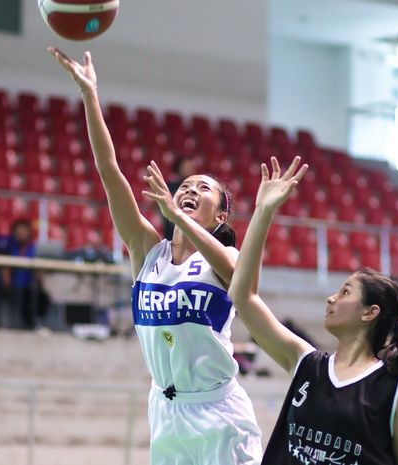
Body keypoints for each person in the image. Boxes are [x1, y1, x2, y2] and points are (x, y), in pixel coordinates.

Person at [48, 48, 262, 464]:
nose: (188, 190)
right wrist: (90, 97)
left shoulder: (228, 257)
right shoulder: (148, 251)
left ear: (220, 216)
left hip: (219, 411)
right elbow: (109, 172)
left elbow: (240, 279)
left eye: (202, 188)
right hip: (166, 410)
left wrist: (177, 218)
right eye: (184, 185)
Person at [228, 157, 398, 465]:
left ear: (370, 312)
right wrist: (263, 212)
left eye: (345, 292)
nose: (331, 299)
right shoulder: (307, 364)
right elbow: (242, 296)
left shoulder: (397, 389)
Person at [0, 219, 51, 330]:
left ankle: (38, 322)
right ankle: (30, 326)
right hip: (11, 287)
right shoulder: (8, 247)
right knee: (23, 299)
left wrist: (39, 281)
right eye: (18, 232)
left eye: (24, 231)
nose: (21, 234)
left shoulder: (33, 249)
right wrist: (7, 285)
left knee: (43, 297)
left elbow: (38, 271)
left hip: (27, 287)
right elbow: (5, 270)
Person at [164, 156, 199, 240]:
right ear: (179, 168)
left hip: (192, 233)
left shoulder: (197, 189)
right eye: (186, 167)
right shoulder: (170, 187)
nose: (189, 169)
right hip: (171, 231)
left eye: (191, 167)